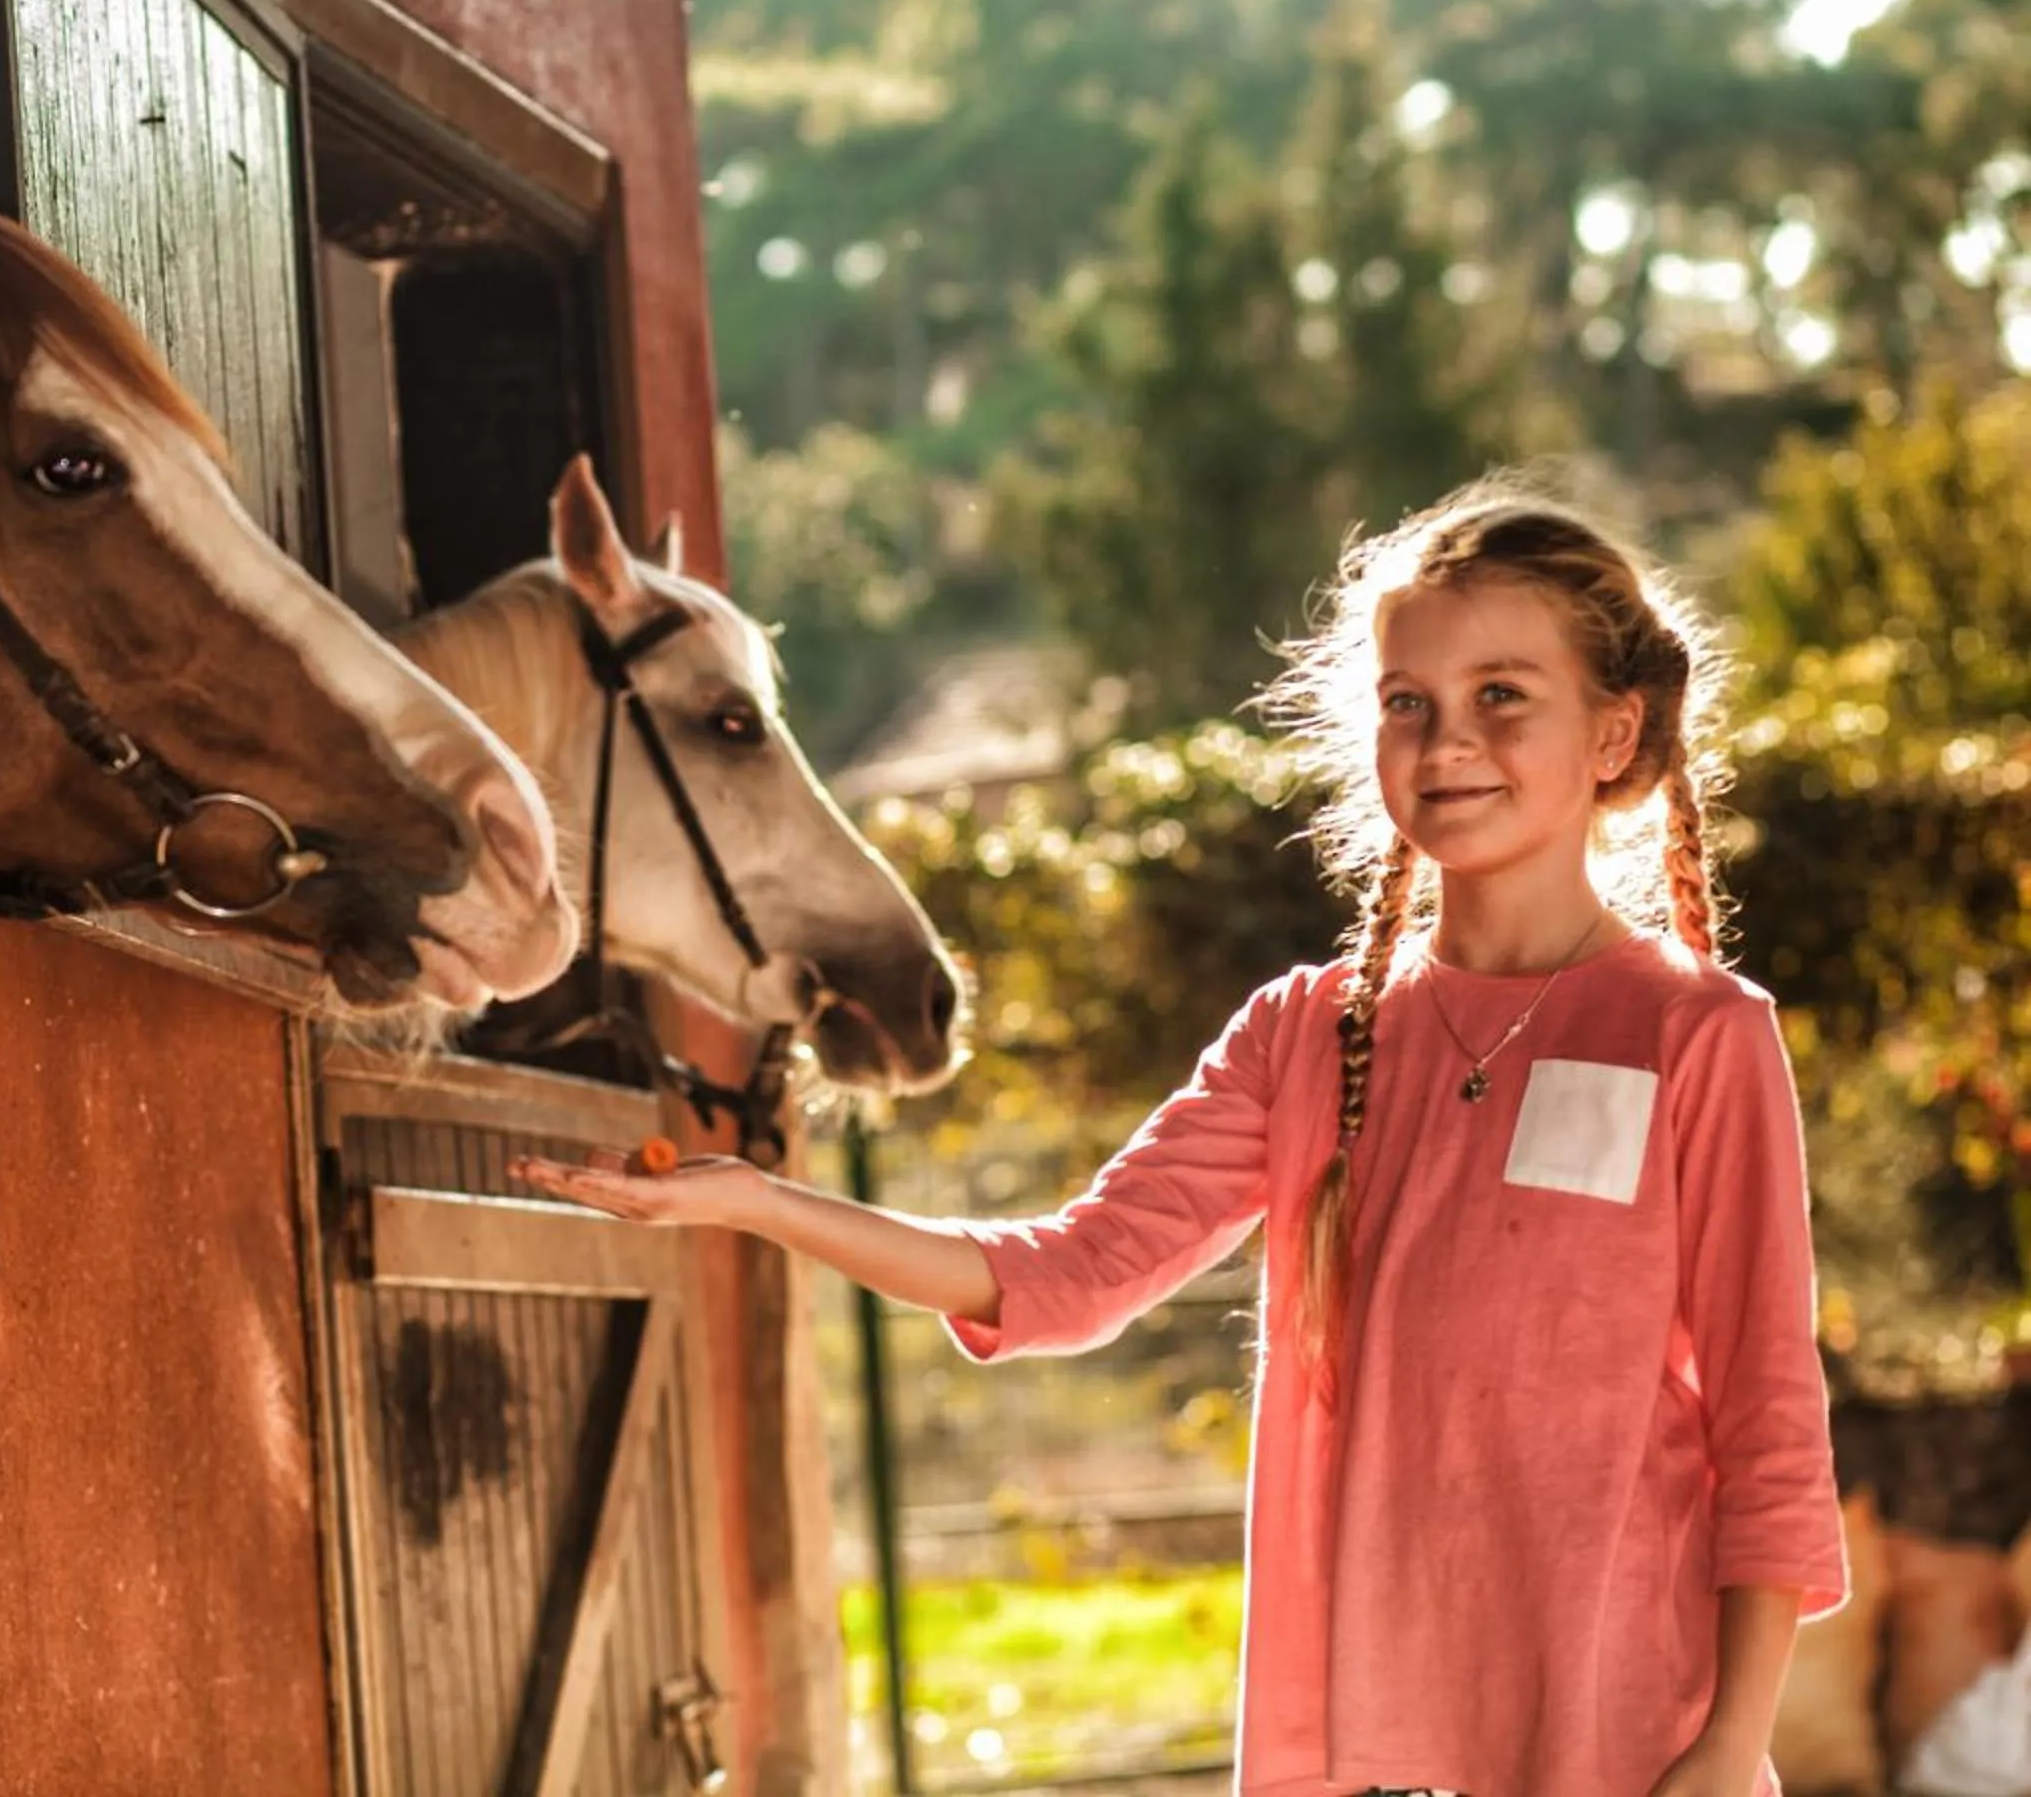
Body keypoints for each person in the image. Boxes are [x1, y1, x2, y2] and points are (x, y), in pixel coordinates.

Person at [512, 482, 1848, 1797]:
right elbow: (1061, 1274)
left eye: (1503, 694)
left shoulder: (1697, 1035)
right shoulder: (1304, 1035)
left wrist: (1727, 1748)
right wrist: (758, 1202)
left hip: (1632, 1740)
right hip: (1366, 1752)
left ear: (1614, 733)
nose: (1448, 740)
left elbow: (1767, 1423)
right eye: (1407, 702)